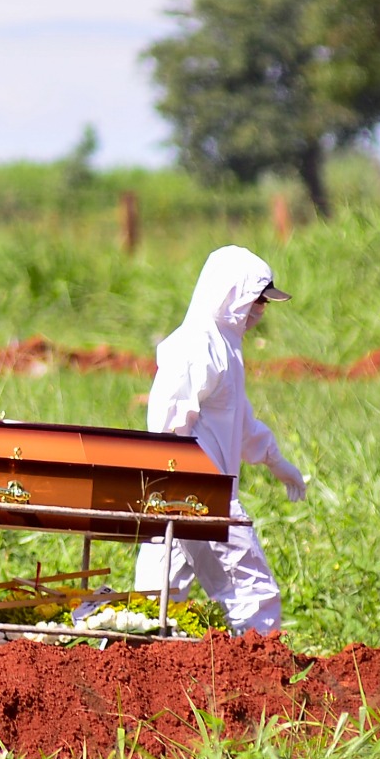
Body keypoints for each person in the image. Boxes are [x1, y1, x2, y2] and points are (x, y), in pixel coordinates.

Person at [133, 244, 307, 634]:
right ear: (231, 294)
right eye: (257, 300)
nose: (261, 310)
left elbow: (240, 422)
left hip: (185, 494)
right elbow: (167, 421)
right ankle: (260, 666)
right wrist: (180, 485)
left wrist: (278, 463)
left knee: (155, 604)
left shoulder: (227, 346)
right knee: (252, 594)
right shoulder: (197, 344)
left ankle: (139, 665)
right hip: (198, 493)